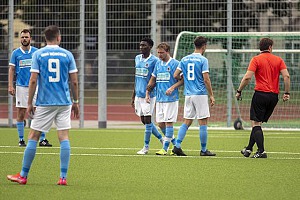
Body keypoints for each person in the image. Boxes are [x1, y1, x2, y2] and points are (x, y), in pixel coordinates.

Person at [7, 25, 79, 185]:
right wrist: (76, 102)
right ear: (59, 38)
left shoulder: (39, 54)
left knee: (33, 136)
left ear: (45, 39)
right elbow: (74, 81)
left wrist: (29, 103)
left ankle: (23, 175)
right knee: (64, 137)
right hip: (64, 102)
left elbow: (33, 80)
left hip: (45, 102)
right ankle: (63, 177)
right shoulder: (67, 54)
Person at [236, 38, 290, 158]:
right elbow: (286, 76)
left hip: (260, 94)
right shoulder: (279, 60)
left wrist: (239, 90)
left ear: (260, 48)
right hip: (273, 97)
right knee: (257, 124)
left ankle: (261, 151)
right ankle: (249, 149)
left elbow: (247, 78)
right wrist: (287, 93)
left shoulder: (256, 59)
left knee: (256, 124)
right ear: (270, 47)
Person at [172, 36, 216, 157]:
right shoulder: (203, 60)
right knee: (203, 122)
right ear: (204, 46)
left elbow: (176, 75)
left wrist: (184, 78)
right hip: (200, 94)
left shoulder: (184, 59)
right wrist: (211, 95)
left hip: (188, 94)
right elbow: (206, 79)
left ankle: (177, 146)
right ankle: (203, 150)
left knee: (187, 121)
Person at [8, 29, 52, 147]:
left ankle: (42, 139)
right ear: (20, 39)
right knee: (21, 113)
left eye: (26, 37)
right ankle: (21, 139)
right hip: (21, 87)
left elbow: (43, 69)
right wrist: (10, 85)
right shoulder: (16, 53)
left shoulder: (36, 52)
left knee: (38, 113)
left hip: (36, 87)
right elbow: (12, 69)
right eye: (22, 37)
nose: (24, 39)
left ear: (30, 38)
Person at [145, 42, 183, 155]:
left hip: (171, 99)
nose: (159, 55)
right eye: (158, 53)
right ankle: (176, 146)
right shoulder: (158, 64)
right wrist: (147, 92)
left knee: (168, 123)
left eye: (162, 53)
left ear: (167, 52)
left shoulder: (176, 64)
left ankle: (165, 149)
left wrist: (172, 87)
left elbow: (182, 80)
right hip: (160, 98)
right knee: (160, 124)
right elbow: (153, 79)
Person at [131, 37, 164, 155]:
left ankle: (146, 147)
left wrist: (149, 92)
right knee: (144, 121)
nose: (141, 47)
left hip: (148, 95)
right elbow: (137, 78)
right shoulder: (137, 58)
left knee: (148, 119)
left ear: (150, 47)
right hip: (138, 95)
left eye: (144, 45)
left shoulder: (154, 61)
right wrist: (133, 95)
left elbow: (155, 78)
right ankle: (162, 139)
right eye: (140, 45)